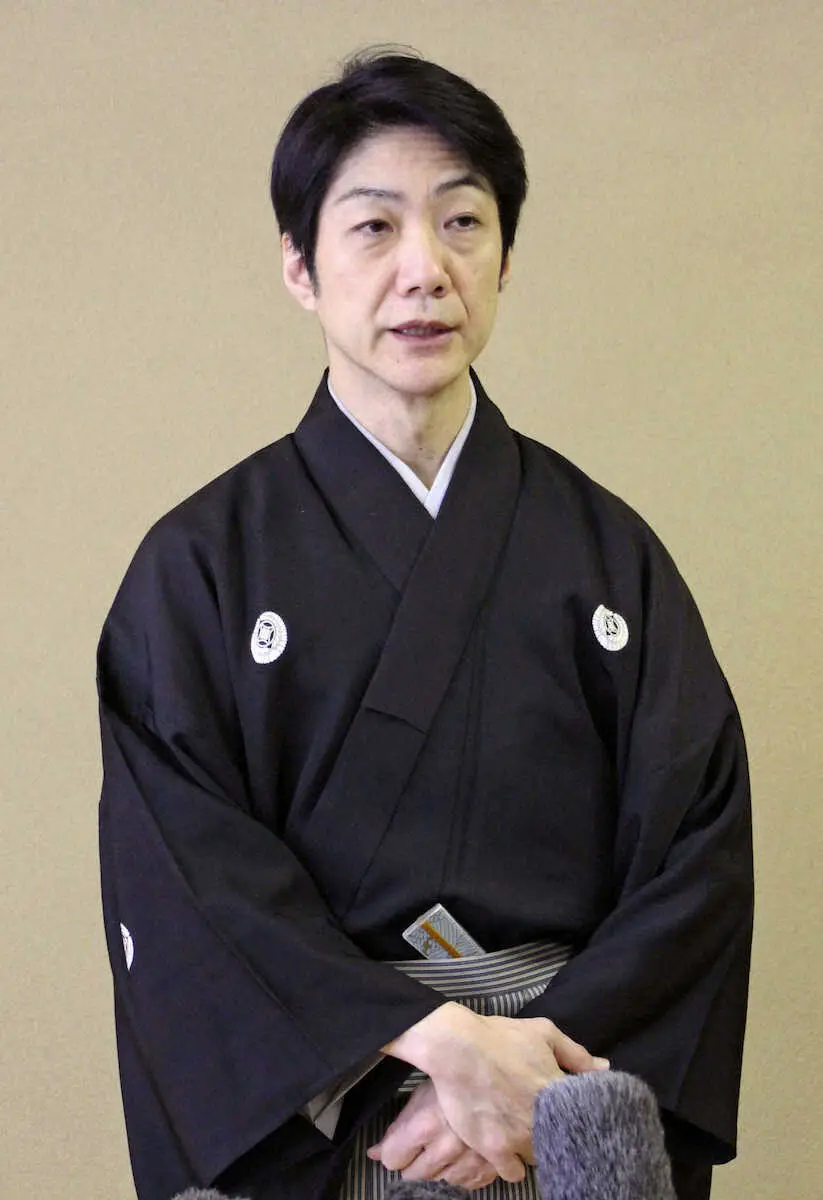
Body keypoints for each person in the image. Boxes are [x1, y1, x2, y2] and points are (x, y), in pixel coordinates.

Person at [97, 50, 753, 1200]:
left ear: (505, 258)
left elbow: (696, 860)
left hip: (563, 1101)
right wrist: (422, 1045)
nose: (425, 269)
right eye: (373, 227)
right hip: (339, 1114)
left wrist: (526, 1075)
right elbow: (185, 881)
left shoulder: (608, 555)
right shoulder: (199, 567)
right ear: (299, 266)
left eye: (461, 223)